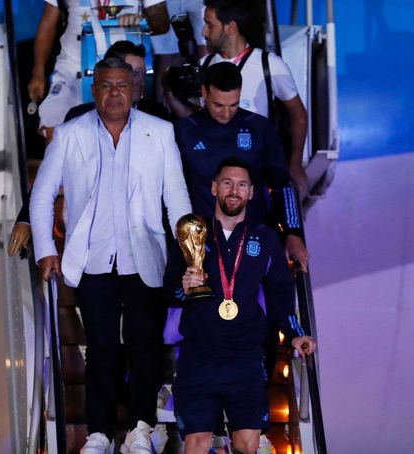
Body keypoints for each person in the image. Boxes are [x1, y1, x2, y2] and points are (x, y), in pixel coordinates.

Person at [29, 57, 192, 453]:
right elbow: (41, 195)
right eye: (106, 85)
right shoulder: (68, 134)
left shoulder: (160, 132)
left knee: (145, 345)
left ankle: (140, 430)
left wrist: (192, 255)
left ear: (136, 89)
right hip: (92, 259)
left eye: (122, 85)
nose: (115, 92)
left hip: (145, 257)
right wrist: (46, 252)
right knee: (101, 347)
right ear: (94, 90)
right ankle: (98, 434)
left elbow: (176, 197)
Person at [163, 157, 316, 454]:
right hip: (199, 355)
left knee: (247, 444)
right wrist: (183, 288)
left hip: (245, 356)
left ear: (251, 193)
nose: (234, 190)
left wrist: (296, 332)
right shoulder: (193, 235)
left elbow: (280, 295)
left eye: (241, 185)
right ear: (214, 188)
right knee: (195, 444)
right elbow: (168, 292)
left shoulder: (265, 239)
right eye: (227, 183)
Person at [7, 40, 169, 257]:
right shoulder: (79, 118)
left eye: (143, 73)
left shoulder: (158, 116)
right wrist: (26, 219)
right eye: (135, 73)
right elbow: (51, 175)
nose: (141, 81)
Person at [174, 62, 309, 272]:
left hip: (251, 242)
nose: (226, 113)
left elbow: (283, 185)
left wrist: (293, 232)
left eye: (233, 105)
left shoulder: (259, 128)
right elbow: (173, 191)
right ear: (204, 92)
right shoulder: (184, 131)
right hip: (202, 246)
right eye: (218, 105)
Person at [201, 0, 309, 196]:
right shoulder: (204, 65)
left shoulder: (270, 65)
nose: (204, 32)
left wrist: (295, 165)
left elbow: (298, 115)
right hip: (213, 172)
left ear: (230, 27)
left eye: (210, 25)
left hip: (257, 173)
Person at [29, 0, 170, 142]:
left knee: (125, 132)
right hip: (72, 69)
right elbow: (48, 25)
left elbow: (162, 22)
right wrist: (38, 72)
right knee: (55, 125)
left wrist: (142, 20)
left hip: (122, 72)